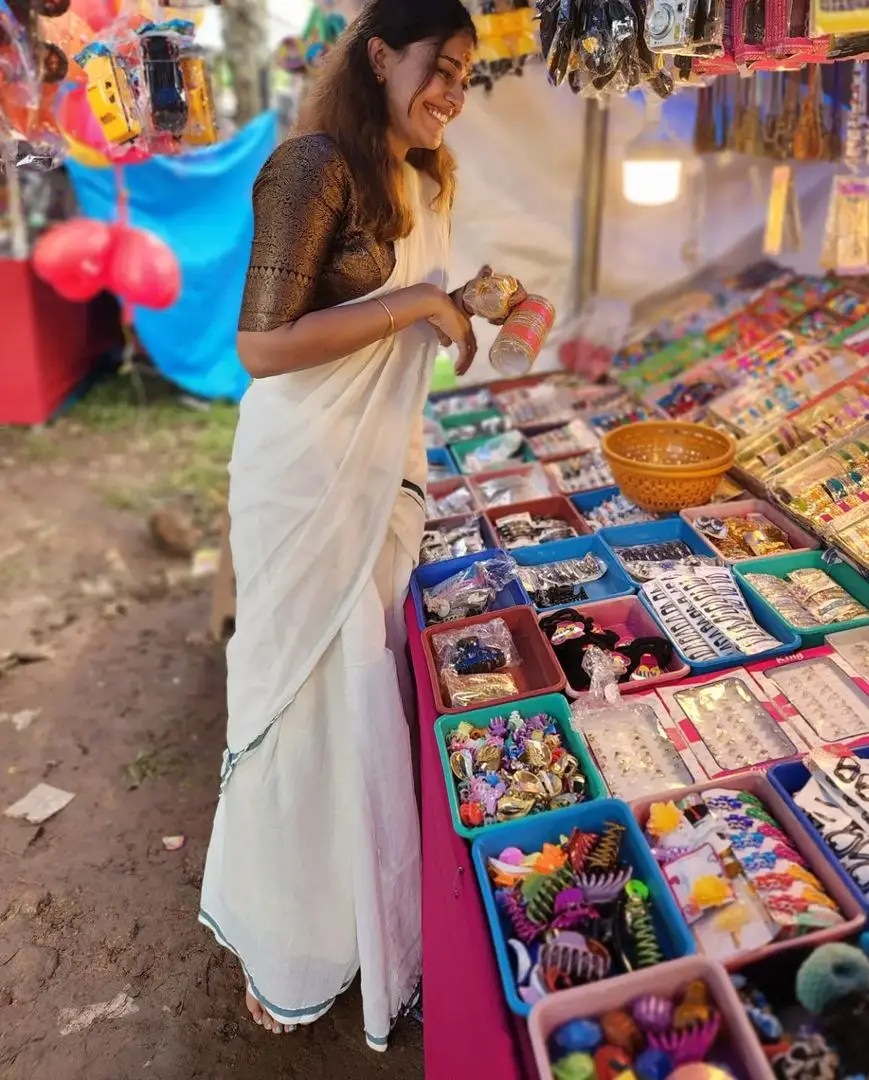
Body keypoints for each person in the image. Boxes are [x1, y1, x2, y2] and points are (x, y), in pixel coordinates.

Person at [199, 0, 520, 1048]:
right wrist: (419, 308)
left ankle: (363, 924)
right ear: (381, 55)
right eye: (442, 69)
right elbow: (263, 345)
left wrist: (479, 297)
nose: (452, 94)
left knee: (361, 709)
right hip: (304, 476)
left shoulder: (424, 175)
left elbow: (408, 304)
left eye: (468, 78)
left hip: (384, 472)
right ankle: (291, 940)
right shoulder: (312, 167)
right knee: (302, 711)